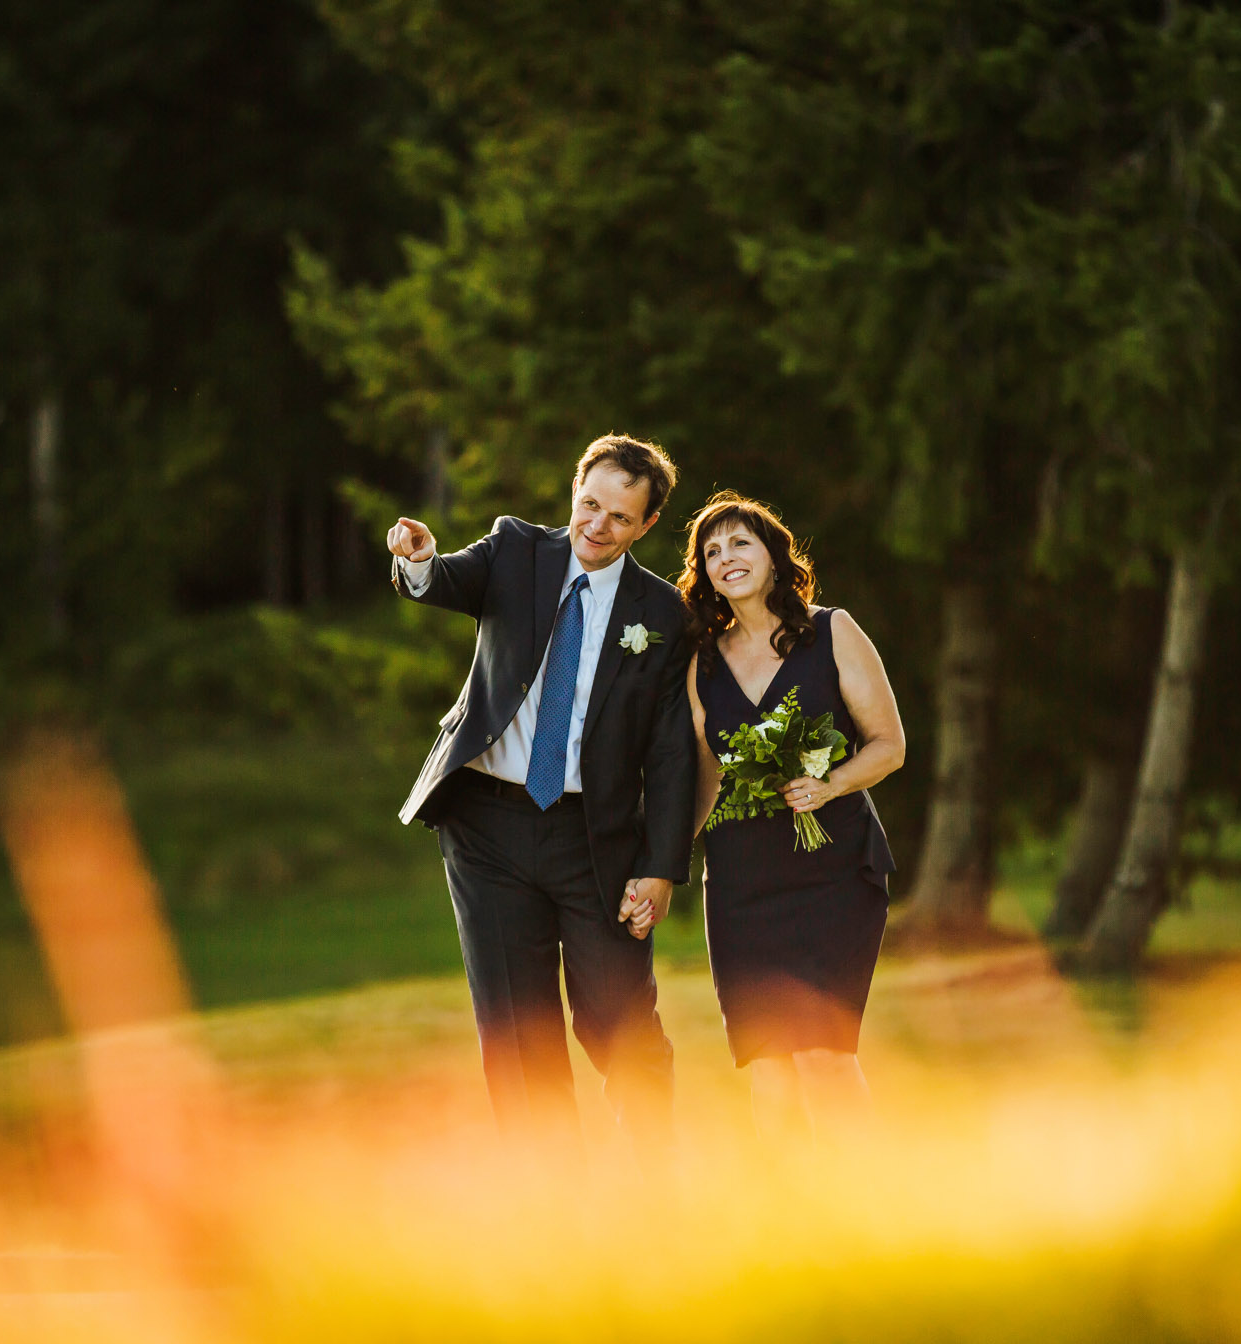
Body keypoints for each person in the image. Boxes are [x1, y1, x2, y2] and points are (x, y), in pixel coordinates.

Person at [386, 435, 696, 1170]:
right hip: (485, 828)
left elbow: (672, 750)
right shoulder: (514, 551)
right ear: (575, 490)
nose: (598, 526)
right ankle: (553, 1201)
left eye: (621, 518)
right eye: (591, 505)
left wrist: (660, 866)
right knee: (516, 1026)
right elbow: (440, 583)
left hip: (595, 836)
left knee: (618, 1015)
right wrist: (420, 557)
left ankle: (655, 1176)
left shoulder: (663, 613)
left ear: (646, 526)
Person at [680, 493, 905, 1144]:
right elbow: (705, 777)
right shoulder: (702, 662)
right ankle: (789, 1224)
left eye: (740, 543)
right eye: (712, 552)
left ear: (776, 557)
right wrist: (656, 866)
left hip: (834, 870)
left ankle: (868, 1207)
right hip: (741, 883)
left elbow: (889, 745)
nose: (726, 558)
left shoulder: (833, 631)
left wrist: (829, 785)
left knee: (822, 1050)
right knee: (770, 1062)